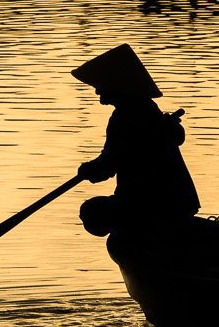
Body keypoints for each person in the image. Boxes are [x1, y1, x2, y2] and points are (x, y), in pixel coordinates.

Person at [74, 44, 199, 237]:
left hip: (146, 203)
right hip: (179, 201)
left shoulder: (126, 117)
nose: (97, 91)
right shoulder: (147, 109)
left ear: (117, 85)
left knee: (90, 211)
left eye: (101, 84)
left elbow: (108, 164)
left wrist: (88, 170)